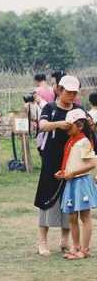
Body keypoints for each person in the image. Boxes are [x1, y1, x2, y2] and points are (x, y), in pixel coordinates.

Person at [34, 75, 81, 257]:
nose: (71, 96)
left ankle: (64, 241)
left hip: (72, 160)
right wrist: (59, 124)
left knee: (69, 201)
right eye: (68, 92)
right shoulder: (50, 108)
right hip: (51, 160)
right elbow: (43, 125)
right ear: (60, 90)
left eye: (74, 93)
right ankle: (42, 242)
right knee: (46, 198)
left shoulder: (78, 109)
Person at [55, 109, 97, 259]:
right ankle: (76, 246)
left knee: (85, 216)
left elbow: (92, 163)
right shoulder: (71, 141)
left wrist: (73, 173)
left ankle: (84, 250)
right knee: (72, 217)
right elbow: (71, 162)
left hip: (81, 182)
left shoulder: (84, 141)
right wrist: (64, 172)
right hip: (71, 182)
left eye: (70, 125)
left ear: (79, 125)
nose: (67, 128)